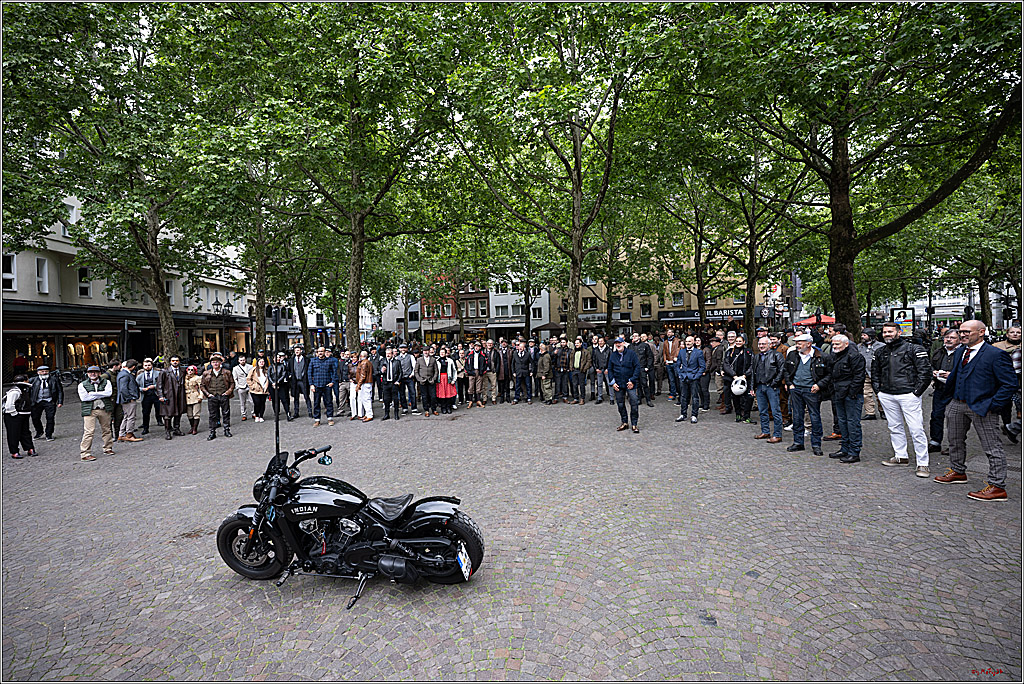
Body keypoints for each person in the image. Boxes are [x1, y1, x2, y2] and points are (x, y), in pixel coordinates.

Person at [933, 320, 1018, 501]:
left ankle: (997, 486)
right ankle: (958, 471)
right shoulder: (960, 351)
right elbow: (958, 375)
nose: (962, 335)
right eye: (961, 331)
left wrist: (993, 405)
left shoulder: (996, 355)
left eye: (967, 332)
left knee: (992, 447)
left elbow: (1010, 384)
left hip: (983, 407)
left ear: (981, 332)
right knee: (954, 440)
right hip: (957, 403)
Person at [872, 322, 933, 477]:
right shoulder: (880, 352)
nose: (887, 334)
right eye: (885, 332)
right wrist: (879, 391)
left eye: (890, 331)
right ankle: (900, 456)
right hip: (887, 394)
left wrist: (916, 392)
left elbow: (925, 372)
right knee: (894, 426)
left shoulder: (914, 349)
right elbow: (875, 373)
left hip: (908, 394)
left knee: (916, 429)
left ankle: (923, 463)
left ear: (899, 332)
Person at [782, 333, 830, 456]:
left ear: (808, 344)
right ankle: (798, 442)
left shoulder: (821, 356)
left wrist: (819, 385)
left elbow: (829, 374)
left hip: (812, 390)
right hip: (796, 390)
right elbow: (786, 370)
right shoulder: (793, 355)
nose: (797, 345)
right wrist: (789, 383)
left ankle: (816, 444)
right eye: (796, 343)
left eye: (799, 343)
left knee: (814, 417)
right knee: (797, 416)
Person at [827, 334, 865, 464]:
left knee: (852, 423)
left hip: (851, 395)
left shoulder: (855, 356)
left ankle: (854, 452)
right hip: (838, 393)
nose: (835, 346)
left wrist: (851, 393)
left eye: (837, 344)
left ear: (846, 344)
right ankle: (845, 448)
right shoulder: (834, 356)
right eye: (833, 344)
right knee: (842, 422)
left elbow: (859, 377)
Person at [928, 328, 962, 454]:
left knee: (955, 418)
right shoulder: (939, 351)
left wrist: (952, 375)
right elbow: (930, 365)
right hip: (940, 388)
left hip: (956, 390)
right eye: (947, 337)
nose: (948, 340)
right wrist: (933, 372)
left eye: (952, 338)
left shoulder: (963, 353)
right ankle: (935, 442)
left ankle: (955, 445)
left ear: (959, 340)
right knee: (936, 415)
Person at [750, 336, 785, 443]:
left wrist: (774, 383)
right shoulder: (756, 356)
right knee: (762, 411)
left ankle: (777, 434)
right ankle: (765, 431)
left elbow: (781, 371)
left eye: (763, 344)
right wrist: (752, 387)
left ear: (769, 345)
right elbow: (753, 372)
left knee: (775, 411)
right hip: (760, 386)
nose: (761, 346)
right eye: (760, 344)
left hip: (772, 386)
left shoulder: (777, 355)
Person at [78, 365, 114, 461]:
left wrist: (92, 394)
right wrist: (102, 394)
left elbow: (109, 393)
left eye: (95, 372)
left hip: (104, 409)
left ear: (99, 373)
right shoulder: (82, 385)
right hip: (90, 410)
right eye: (90, 372)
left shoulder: (107, 382)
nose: (93, 374)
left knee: (107, 429)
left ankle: (108, 448)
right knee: (89, 432)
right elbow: (84, 398)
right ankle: (85, 453)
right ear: (87, 374)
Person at [993, 325, 1021, 443]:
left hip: (1019, 380)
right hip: (1003, 380)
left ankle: (1012, 428)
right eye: (1012, 332)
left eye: (1018, 332)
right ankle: (1007, 425)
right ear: (1007, 334)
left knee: (1019, 405)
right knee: (1005, 405)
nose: (1015, 334)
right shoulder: (997, 346)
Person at [608, 337, 641, 434]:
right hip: (618, 384)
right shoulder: (613, 355)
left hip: (630, 383)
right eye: (616, 343)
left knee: (634, 403)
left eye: (619, 343)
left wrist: (632, 380)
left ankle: (634, 424)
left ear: (623, 343)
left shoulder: (631, 354)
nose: (618, 345)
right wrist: (613, 382)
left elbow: (637, 367)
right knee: (620, 404)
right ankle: (624, 422)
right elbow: (610, 369)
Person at [200, 352, 235, 440]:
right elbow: (202, 385)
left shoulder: (227, 372)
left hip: (223, 395)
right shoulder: (206, 373)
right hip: (212, 396)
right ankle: (212, 432)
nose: (215, 364)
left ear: (220, 363)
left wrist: (228, 392)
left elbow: (232, 383)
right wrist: (208, 394)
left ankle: (226, 430)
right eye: (213, 362)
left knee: (226, 413)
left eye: (217, 362)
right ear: (211, 363)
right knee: (212, 415)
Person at [674, 335, 706, 424]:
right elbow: (678, 364)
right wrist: (680, 374)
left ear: (693, 342)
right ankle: (683, 414)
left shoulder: (698, 352)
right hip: (684, 377)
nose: (687, 343)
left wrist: (697, 376)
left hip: (694, 377)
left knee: (695, 397)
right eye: (686, 341)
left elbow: (702, 366)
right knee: (683, 397)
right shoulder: (681, 352)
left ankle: (694, 415)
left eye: (689, 341)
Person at [723, 334, 753, 423]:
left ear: (744, 342)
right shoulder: (729, 352)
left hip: (745, 378)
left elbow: (752, 364)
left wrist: (745, 375)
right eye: (737, 341)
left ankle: (746, 415)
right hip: (734, 378)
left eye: (740, 341)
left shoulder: (748, 352)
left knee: (748, 398)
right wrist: (734, 375)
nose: (738, 343)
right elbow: (726, 364)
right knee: (736, 397)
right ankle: (738, 414)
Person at [5, 375, 36, 459]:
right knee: (14, 433)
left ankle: (30, 448)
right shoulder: (15, 392)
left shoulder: (24, 390)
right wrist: (14, 413)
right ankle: (14, 451)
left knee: (26, 432)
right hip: (14, 415)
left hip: (24, 414)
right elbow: (9, 405)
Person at [29, 366, 63, 442]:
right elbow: (28, 391)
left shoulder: (54, 379)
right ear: (38, 372)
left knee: (50, 418)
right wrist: (29, 401)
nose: (44, 373)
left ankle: (49, 434)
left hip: (49, 401)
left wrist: (60, 401)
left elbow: (60, 390)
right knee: (35, 418)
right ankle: (39, 431)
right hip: (37, 402)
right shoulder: (33, 380)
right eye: (42, 371)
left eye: (46, 371)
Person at [156, 355, 187, 440]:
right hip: (169, 395)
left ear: (179, 361)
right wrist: (160, 395)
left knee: (178, 413)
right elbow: (159, 384)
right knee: (167, 415)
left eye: (176, 360)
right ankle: (167, 431)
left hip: (180, 394)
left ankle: (177, 429)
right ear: (170, 362)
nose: (175, 362)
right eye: (173, 360)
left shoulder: (182, 371)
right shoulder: (164, 371)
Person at [858, 329, 885, 420]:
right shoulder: (859, 347)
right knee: (866, 394)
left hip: (878, 374)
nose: (862, 337)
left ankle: (883, 411)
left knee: (880, 394)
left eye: (864, 335)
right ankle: (870, 412)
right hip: (865, 374)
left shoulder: (881, 346)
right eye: (862, 335)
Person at [307, 346, 337, 427]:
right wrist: (311, 384)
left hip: (327, 385)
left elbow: (334, 372)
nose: (320, 353)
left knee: (329, 402)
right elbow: (309, 373)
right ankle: (317, 420)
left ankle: (330, 418)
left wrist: (332, 382)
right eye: (319, 351)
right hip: (316, 385)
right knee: (316, 403)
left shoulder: (329, 361)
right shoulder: (313, 361)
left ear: (324, 352)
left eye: (322, 351)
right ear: (317, 353)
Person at [116, 359, 143, 442]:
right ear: (133, 367)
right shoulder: (125, 375)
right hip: (128, 400)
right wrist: (129, 398)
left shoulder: (123, 373)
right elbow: (123, 389)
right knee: (131, 417)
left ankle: (122, 434)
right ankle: (129, 434)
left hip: (125, 399)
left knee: (126, 416)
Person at [136, 358, 161, 435]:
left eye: (149, 365)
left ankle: (162, 422)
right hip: (146, 396)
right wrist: (141, 389)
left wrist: (155, 386)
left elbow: (162, 383)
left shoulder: (158, 373)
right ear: (143, 366)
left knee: (160, 410)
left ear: (152, 365)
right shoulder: (140, 376)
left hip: (156, 395)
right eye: (145, 365)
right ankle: (145, 428)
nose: (147, 367)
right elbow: (135, 386)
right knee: (145, 412)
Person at [101, 359, 124, 438]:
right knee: (109, 418)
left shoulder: (116, 374)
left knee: (119, 416)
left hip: (117, 398)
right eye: (119, 365)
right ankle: (109, 436)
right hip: (110, 400)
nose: (120, 367)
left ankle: (117, 435)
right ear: (114, 366)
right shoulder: (105, 376)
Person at [413, 346, 439, 417]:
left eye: (427, 351)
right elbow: (416, 371)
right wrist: (419, 379)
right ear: (422, 352)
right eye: (424, 351)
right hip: (422, 381)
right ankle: (426, 410)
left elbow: (436, 370)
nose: (426, 352)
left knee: (433, 396)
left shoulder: (433, 359)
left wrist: (434, 378)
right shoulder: (419, 360)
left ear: (429, 351)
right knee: (424, 397)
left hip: (431, 380)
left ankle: (434, 409)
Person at [288, 344, 312, 419]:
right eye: (295, 350)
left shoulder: (306, 360)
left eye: (298, 350)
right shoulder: (291, 360)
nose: (297, 352)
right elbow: (289, 370)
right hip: (295, 381)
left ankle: (310, 411)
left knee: (306, 396)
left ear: (301, 351)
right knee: (296, 398)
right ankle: (296, 412)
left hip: (303, 381)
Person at [631, 332, 655, 408]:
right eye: (633, 336)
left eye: (636, 336)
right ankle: (639, 399)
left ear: (639, 337)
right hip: (634, 369)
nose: (634, 337)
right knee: (637, 384)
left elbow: (650, 357)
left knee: (644, 384)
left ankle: (648, 400)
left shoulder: (645, 345)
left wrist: (648, 367)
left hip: (642, 367)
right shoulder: (630, 346)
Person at [380, 347, 403, 421]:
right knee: (386, 399)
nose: (388, 355)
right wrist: (382, 370)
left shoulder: (397, 362)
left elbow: (400, 372)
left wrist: (398, 381)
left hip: (394, 383)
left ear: (392, 354)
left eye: (389, 354)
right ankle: (387, 414)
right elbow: (378, 370)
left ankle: (396, 414)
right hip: (386, 383)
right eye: (387, 354)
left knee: (395, 399)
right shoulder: (383, 361)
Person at [269, 351, 293, 421]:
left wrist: (278, 382)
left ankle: (288, 414)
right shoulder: (271, 366)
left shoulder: (282, 366)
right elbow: (269, 376)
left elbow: (283, 374)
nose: (278, 359)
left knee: (284, 400)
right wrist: (273, 383)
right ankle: (276, 415)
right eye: (276, 357)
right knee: (275, 401)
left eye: (279, 357)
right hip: (273, 386)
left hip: (281, 385)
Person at [247, 356, 271, 422]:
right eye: (260, 362)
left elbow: (269, 378)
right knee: (257, 403)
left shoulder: (267, 370)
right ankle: (257, 415)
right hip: (255, 390)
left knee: (262, 403)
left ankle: (261, 416)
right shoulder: (253, 370)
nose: (262, 363)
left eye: (263, 362)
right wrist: (252, 386)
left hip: (264, 390)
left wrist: (267, 386)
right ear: (257, 363)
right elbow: (248, 378)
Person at [436, 347, 458, 414]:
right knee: (442, 394)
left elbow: (454, 370)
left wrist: (454, 379)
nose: (442, 353)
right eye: (441, 352)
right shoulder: (436, 361)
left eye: (443, 352)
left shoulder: (450, 360)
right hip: (440, 379)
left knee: (449, 394)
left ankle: (449, 407)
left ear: (446, 353)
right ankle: (443, 408)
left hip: (448, 378)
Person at [232, 354, 254, 421]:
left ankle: (254, 413)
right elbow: (235, 378)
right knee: (242, 402)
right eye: (241, 360)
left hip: (249, 386)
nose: (242, 361)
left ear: (245, 360)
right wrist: (237, 386)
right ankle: (244, 414)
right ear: (239, 361)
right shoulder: (235, 368)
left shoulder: (250, 367)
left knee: (252, 401)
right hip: (241, 386)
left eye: (243, 360)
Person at [396, 343, 417, 415]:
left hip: (409, 377)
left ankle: (414, 408)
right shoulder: (397, 358)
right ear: (399, 349)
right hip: (401, 378)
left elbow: (414, 366)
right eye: (401, 348)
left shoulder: (410, 356)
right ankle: (404, 408)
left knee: (412, 392)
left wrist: (412, 374)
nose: (403, 349)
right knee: (402, 393)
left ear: (407, 349)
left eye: (404, 348)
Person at [465, 342, 487, 408]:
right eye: (475, 346)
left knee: (479, 387)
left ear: (480, 347)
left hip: (479, 371)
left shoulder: (483, 355)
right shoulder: (469, 354)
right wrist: (469, 371)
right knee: (471, 387)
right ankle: (470, 401)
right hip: (471, 371)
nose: (476, 347)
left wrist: (482, 371)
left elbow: (485, 363)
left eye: (478, 346)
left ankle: (478, 400)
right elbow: (466, 364)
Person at [570, 338, 591, 405]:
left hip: (581, 370)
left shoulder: (586, 352)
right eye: (575, 343)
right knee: (574, 385)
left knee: (582, 385)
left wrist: (584, 369)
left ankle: (582, 398)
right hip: (574, 370)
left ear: (581, 343)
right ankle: (576, 398)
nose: (576, 344)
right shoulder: (573, 351)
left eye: (577, 343)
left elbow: (589, 361)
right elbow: (571, 360)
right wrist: (571, 367)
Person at [511, 340, 533, 405]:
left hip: (526, 372)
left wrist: (531, 371)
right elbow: (512, 364)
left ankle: (529, 398)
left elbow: (532, 363)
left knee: (528, 385)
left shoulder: (527, 354)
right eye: (519, 347)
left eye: (522, 347)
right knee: (517, 386)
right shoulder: (515, 353)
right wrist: (513, 372)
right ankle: (516, 398)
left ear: (524, 348)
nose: (520, 348)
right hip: (518, 372)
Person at [183, 365, 203, 435]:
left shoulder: (197, 378)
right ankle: (192, 427)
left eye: (192, 370)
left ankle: (195, 428)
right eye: (189, 370)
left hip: (195, 396)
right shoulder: (184, 378)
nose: (190, 371)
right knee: (189, 414)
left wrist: (200, 396)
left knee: (196, 413)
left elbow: (201, 387)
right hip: (187, 397)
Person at [591, 336, 611, 405]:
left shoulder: (608, 350)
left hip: (607, 370)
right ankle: (599, 398)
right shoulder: (595, 350)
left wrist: (608, 368)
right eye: (599, 341)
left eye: (601, 341)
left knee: (609, 384)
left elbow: (611, 360)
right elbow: (593, 360)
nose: (600, 342)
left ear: (604, 342)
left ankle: (611, 398)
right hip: (599, 369)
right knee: (599, 384)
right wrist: (596, 368)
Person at [695, 336, 712, 411]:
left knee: (704, 389)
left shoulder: (706, 349)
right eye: (696, 340)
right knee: (699, 389)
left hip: (704, 372)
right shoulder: (694, 349)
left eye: (698, 340)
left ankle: (706, 404)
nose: (697, 342)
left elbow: (708, 361)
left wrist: (705, 370)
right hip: (696, 372)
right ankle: (702, 403)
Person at [553, 337, 572, 403]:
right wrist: (554, 354)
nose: (562, 343)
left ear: (566, 343)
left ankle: (565, 397)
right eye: (561, 342)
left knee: (565, 384)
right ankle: (556, 397)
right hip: (558, 369)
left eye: (564, 342)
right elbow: (553, 358)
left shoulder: (570, 350)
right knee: (557, 384)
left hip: (565, 369)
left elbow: (571, 360)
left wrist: (569, 368)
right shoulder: (557, 349)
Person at [495, 339, 513, 404]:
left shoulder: (510, 351)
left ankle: (508, 397)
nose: (504, 344)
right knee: (501, 386)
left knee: (507, 385)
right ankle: (502, 398)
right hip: (501, 370)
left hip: (508, 370)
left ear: (507, 344)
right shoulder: (498, 351)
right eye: (502, 342)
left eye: (505, 342)